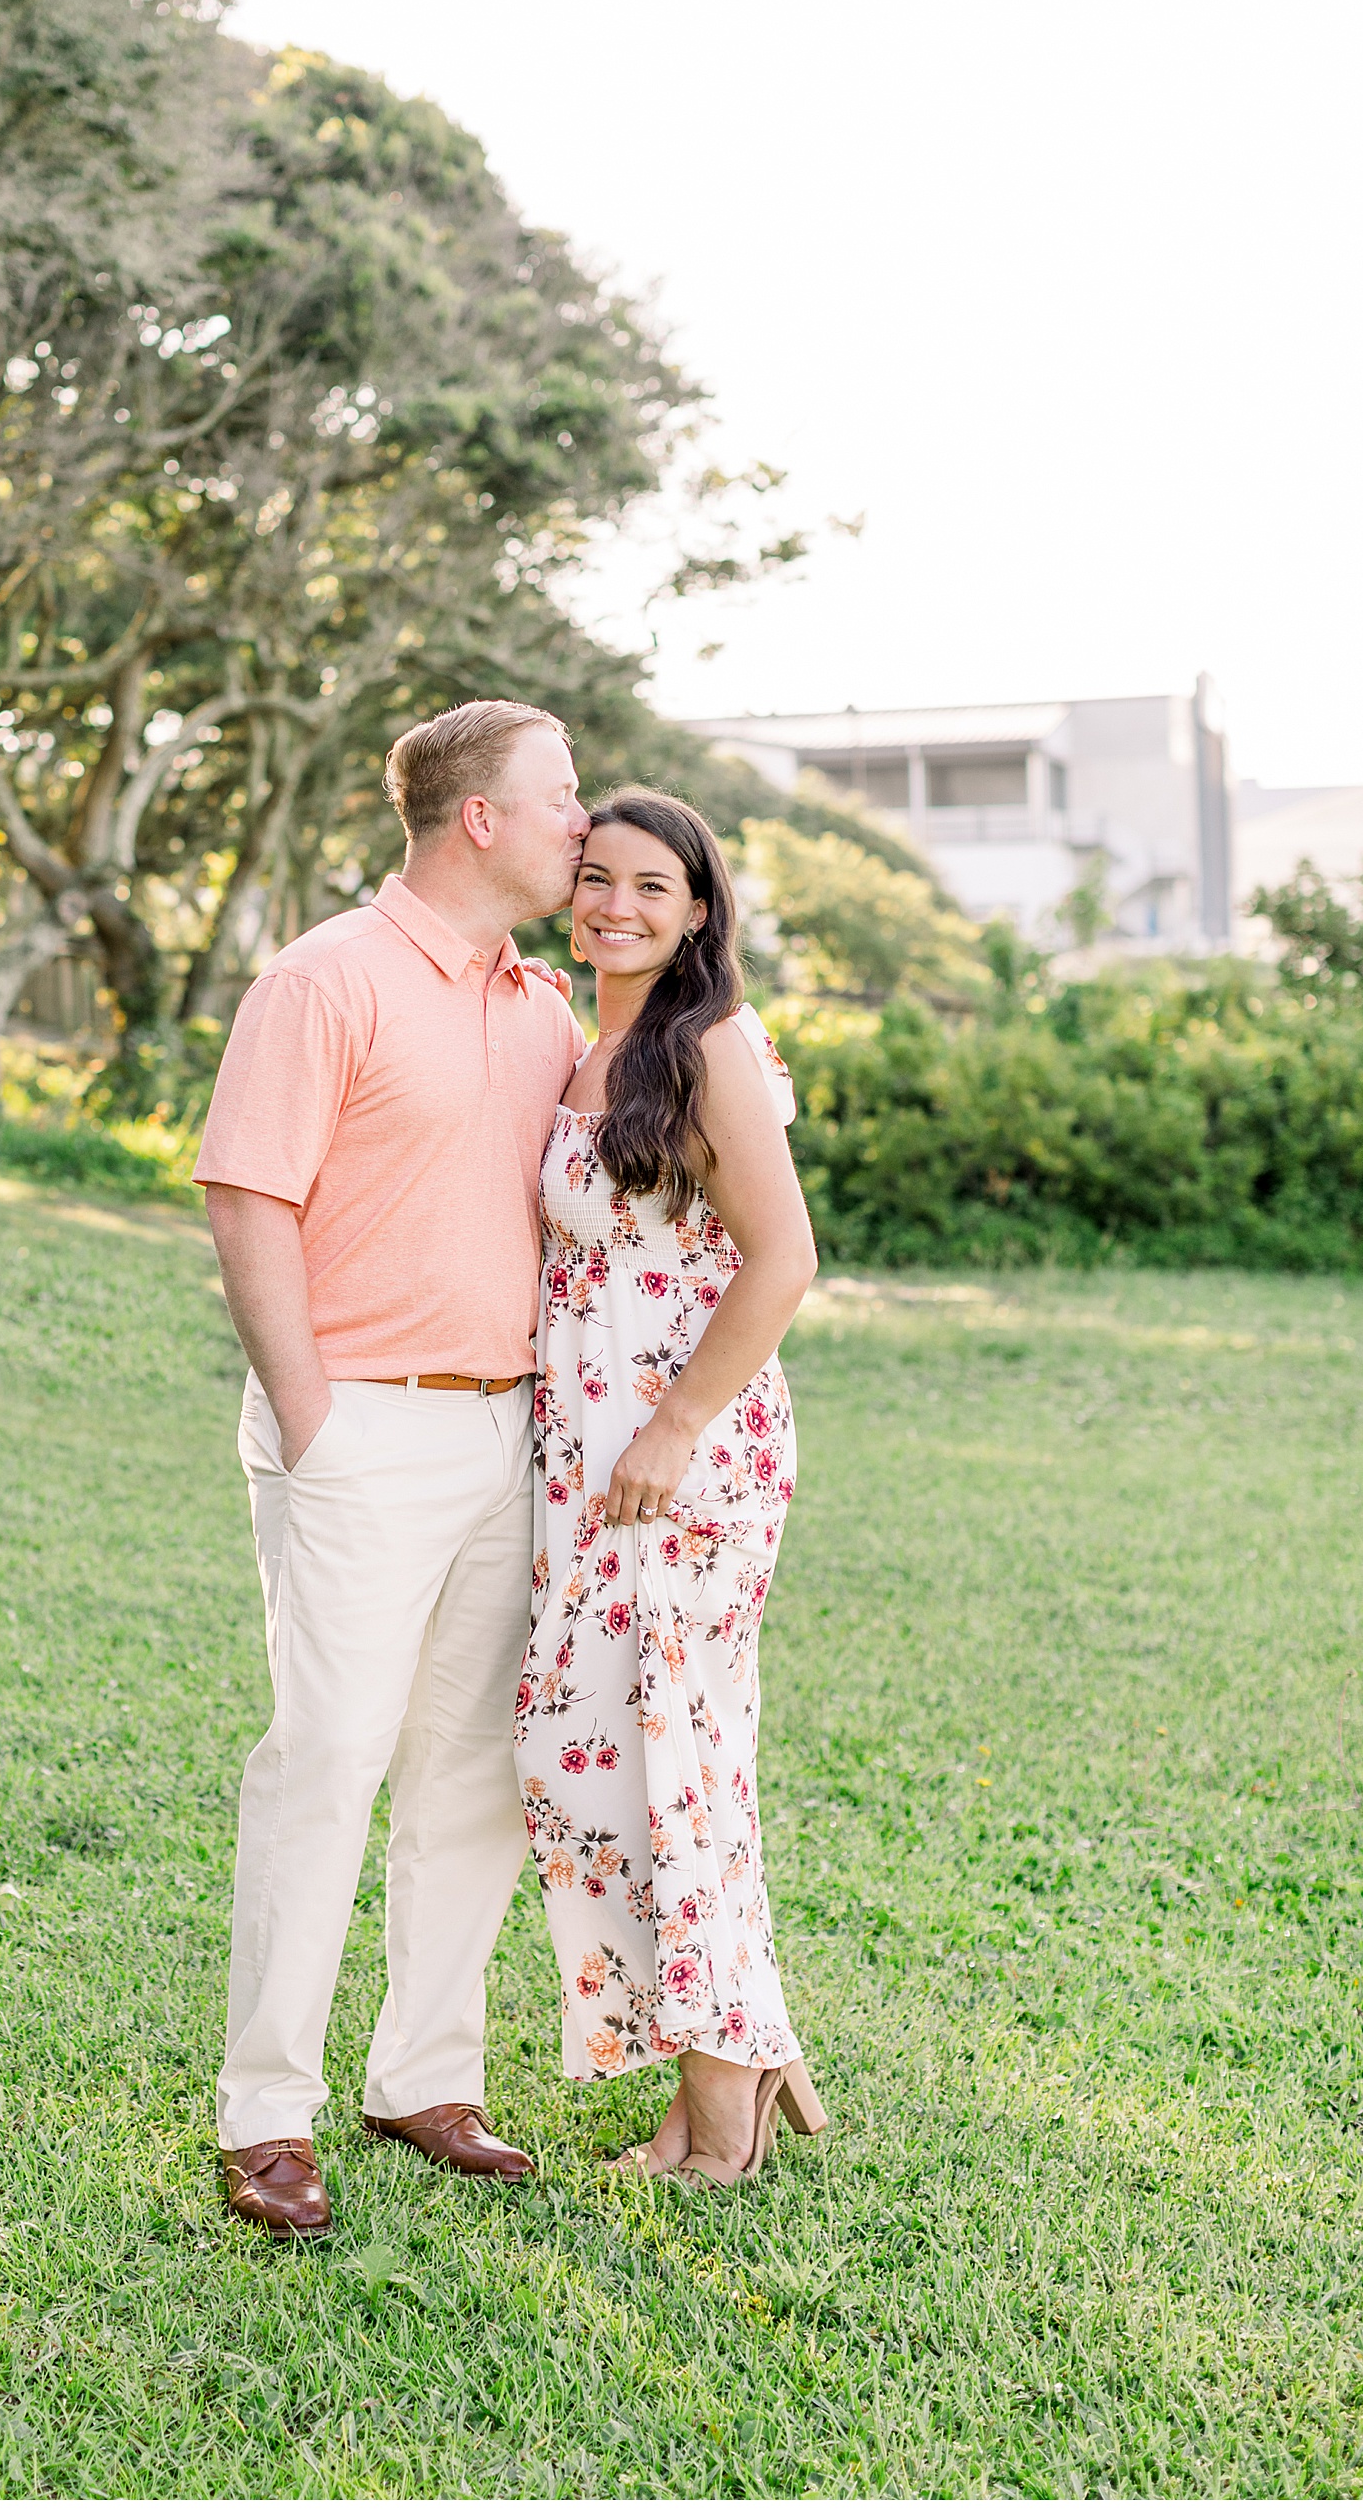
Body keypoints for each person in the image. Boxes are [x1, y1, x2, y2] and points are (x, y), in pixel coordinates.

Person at [194, 699, 590, 2237]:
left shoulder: (541, 1006)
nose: (580, 821)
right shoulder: (323, 978)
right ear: (478, 817)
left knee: (473, 1774)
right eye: (559, 799)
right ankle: (265, 2115)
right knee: (327, 1763)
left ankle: (426, 2074)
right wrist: (316, 1419)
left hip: (511, 1434)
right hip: (358, 1423)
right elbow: (248, 1201)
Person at [515, 789, 827, 2187]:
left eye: (651, 885)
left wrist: (671, 1430)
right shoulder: (593, 1051)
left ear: (701, 909)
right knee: (591, 1753)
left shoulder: (709, 1049)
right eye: (594, 878)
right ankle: (736, 2047)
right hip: (589, 1456)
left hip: (684, 1461)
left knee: (669, 1760)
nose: (615, 905)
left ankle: (720, 2101)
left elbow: (783, 1258)